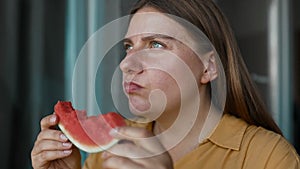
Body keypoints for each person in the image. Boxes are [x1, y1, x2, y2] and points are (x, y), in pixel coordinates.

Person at [31, 0, 300, 168]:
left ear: (208, 67)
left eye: (156, 44)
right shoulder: (113, 147)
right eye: (128, 47)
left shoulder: (269, 157)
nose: (126, 64)